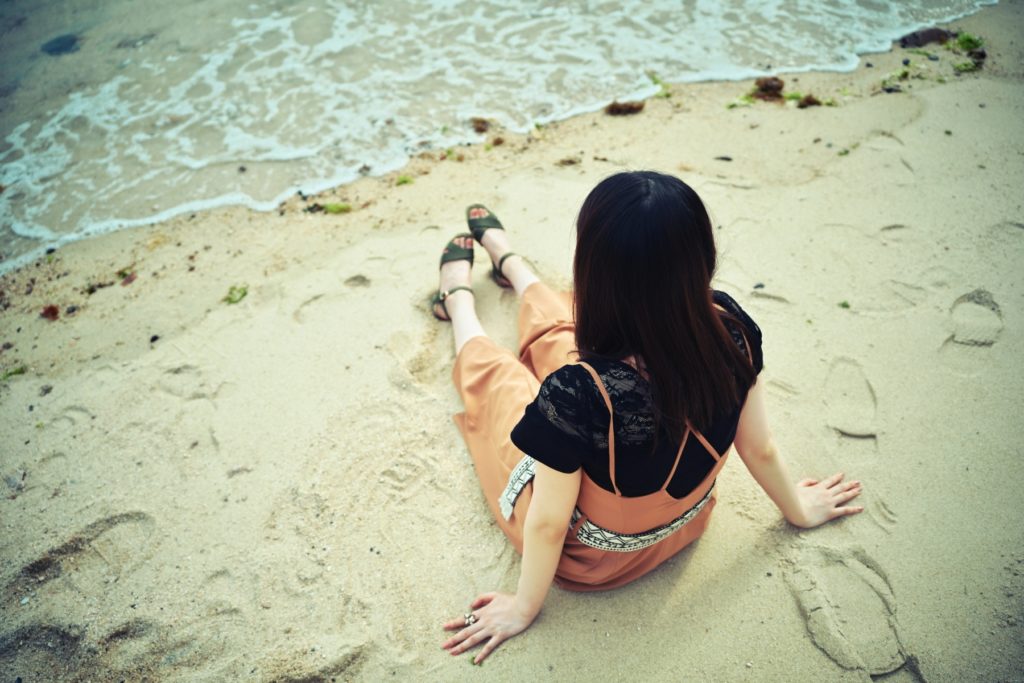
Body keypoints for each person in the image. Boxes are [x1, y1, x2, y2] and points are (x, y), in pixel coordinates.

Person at [431, 171, 863, 664]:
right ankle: (511, 265)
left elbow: (548, 524)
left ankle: (458, 302)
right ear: (702, 258)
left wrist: (523, 608)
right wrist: (799, 510)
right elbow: (759, 447)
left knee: (503, 385)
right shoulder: (732, 332)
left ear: (593, 273)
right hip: (686, 524)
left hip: (598, 562)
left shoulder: (577, 392)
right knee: (564, 342)